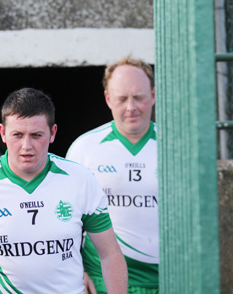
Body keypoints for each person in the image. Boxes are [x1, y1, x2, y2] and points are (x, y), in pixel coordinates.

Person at [0, 88, 127, 294]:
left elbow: (110, 254)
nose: (27, 146)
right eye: (17, 135)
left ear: (52, 133)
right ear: (2, 133)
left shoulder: (81, 180)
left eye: (36, 135)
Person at [66, 55, 158, 293]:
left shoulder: (177, 146)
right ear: (108, 99)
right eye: (122, 99)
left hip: (167, 278)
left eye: (138, 97)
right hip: (101, 279)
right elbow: (65, 216)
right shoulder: (84, 149)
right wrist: (76, 269)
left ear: (154, 95)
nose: (131, 107)